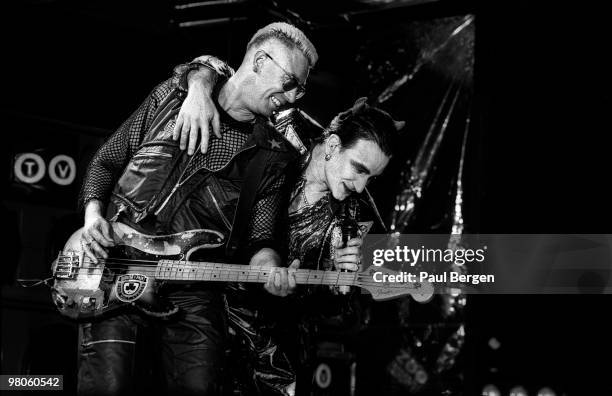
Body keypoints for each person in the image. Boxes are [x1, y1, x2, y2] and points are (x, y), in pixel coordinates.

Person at [77, 22, 317, 396]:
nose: (292, 97)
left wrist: (270, 269)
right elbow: (106, 162)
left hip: (194, 289)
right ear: (258, 60)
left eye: (300, 88)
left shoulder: (274, 155)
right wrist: (93, 218)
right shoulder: (171, 97)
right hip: (115, 268)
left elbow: (260, 238)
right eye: (289, 82)